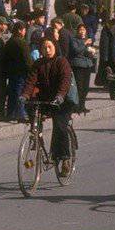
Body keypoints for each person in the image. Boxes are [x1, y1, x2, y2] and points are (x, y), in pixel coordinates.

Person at [21, 39, 75, 177]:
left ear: (55, 47)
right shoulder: (38, 63)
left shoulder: (62, 62)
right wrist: (25, 95)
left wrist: (60, 96)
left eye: (50, 47)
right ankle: (36, 137)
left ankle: (65, 159)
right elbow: (31, 81)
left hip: (61, 101)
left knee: (60, 127)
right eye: (44, 47)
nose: (47, 50)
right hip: (45, 100)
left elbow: (65, 81)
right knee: (32, 109)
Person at [3, 21, 33, 123]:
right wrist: (32, 70)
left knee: (13, 92)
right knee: (20, 92)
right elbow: (27, 59)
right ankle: (21, 114)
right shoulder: (22, 43)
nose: (25, 32)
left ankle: (10, 114)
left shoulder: (9, 42)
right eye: (24, 30)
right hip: (21, 71)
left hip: (11, 71)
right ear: (20, 30)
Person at [68, 23, 95, 113]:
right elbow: (76, 51)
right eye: (80, 30)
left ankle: (82, 105)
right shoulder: (74, 40)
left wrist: (91, 51)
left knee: (86, 87)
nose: (82, 32)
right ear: (77, 31)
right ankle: (77, 106)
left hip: (87, 65)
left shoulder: (87, 40)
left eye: (83, 30)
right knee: (79, 87)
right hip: (78, 65)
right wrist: (84, 43)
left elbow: (86, 52)